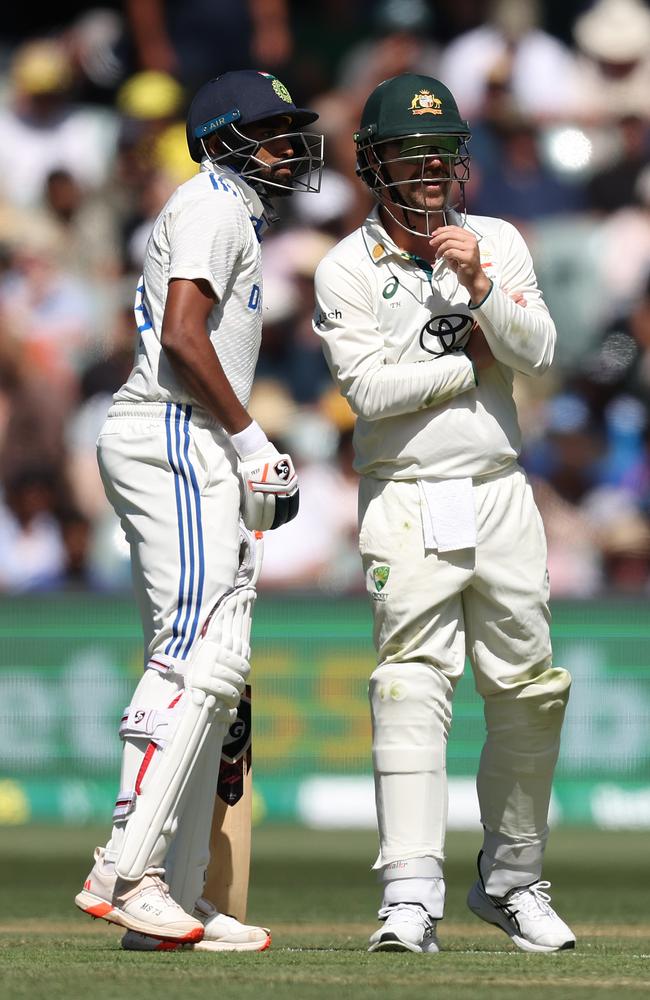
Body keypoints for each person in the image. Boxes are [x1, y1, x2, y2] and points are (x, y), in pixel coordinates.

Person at [313, 72, 575, 955]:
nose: (431, 172)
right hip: (407, 497)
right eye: (411, 157)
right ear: (375, 165)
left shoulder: (494, 237)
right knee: (411, 686)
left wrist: (483, 286)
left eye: (443, 155)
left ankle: (513, 878)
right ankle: (410, 893)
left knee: (531, 692)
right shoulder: (348, 266)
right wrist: (469, 362)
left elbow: (538, 350)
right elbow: (372, 393)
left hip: (502, 493)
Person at [74, 69, 323, 951]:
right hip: (176, 431)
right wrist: (252, 439)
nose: (292, 149)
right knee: (192, 656)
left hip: (189, 438)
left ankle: (166, 900)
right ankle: (123, 871)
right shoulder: (215, 206)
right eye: (275, 133)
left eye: (294, 133)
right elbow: (184, 336)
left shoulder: (228, 209)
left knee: (213, 666)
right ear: (224, 137)